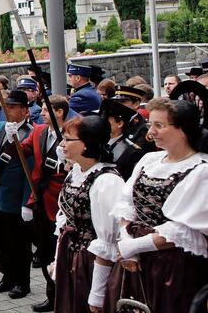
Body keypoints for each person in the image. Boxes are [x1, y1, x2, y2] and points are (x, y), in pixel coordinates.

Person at [105, 97, 208, 312]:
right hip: (133, 259)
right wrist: (126, 240)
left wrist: (133, 246)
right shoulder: (149, 160)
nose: (151, 132)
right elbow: (126, 203)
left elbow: (184, 228)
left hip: (172, 265)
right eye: (151, 124)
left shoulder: (201, 169)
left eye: (159, 125)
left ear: (183, 129)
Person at [49, 116, 123, 313]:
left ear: (86, 144)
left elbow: (108, 241)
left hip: (89, 263)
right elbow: (64, 221)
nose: (62, 144)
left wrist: (97, 293)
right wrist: (58, 260)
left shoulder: (107, 181)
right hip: (71, 255)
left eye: (67, 139)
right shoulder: (76, 172)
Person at [0, 89, 34, 298]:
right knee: (1, 240)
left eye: (12, 107)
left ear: (24, 110)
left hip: (16, 197)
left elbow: (30, 172)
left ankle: (23, 282)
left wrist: (27, 203)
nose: (8, 110)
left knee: (19, 243)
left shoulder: (31, 133)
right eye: (7, 106)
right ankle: (7, 276)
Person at [24, 95, 71, 312]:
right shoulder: (38, 131)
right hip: (40, 199)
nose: (41, 113)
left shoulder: (71, 133)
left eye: (45, 110)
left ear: (59, 112)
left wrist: (68, 159)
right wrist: (12, 136)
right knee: (44, 252)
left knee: (60, 255)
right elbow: (22, 150)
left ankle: (65, 296)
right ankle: (51, 295)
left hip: (61, 202)